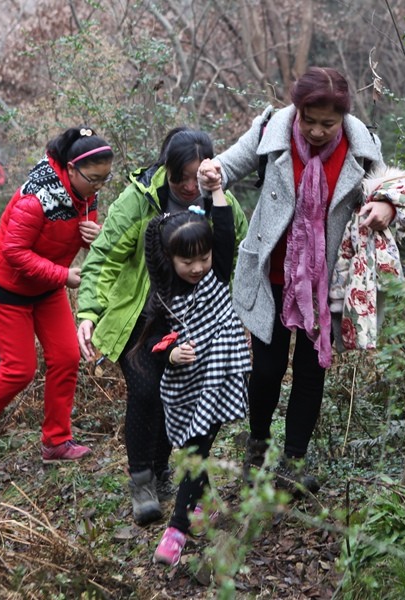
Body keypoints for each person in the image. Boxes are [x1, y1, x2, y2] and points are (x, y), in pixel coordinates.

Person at [198, 67, 392, 493]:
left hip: (325, 282)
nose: (318, 131)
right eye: (310, 120)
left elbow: (391, 189)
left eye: (328, 123)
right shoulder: (272, 129)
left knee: (310, 371)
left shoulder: (362, 147)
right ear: (297, 108)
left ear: (343, 118)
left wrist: (387, 207)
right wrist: (211, 174)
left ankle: (293, 463)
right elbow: (227, 166)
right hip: (273, 272)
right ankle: (257, 448)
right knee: (266, 370)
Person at [76, 129, 249, 525]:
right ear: (165, 168)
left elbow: (238, 248)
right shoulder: (140, 199)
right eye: (179, 178)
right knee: (145, 391)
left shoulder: (219, 197)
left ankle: (161, 469)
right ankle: (142, 481)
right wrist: (88, 312)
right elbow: (104, 257)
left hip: (194, 321)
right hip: (141, 318)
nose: (188, 187)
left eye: (195, 177)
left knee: (178, 395)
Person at [0, 126, 112, 469]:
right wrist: (64, 275)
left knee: (66, 357)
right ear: (72, 169)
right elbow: (14, 251)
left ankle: (56, 442)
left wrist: (96, 236)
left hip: (46, 287)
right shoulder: (36, 199)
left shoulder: (86, 194)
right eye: (93, 179)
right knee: (19, 369)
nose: (98, 187)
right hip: (8, 289)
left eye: (104, 179)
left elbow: (79, 236)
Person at [139, 178, 251, 567]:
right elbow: (154, 343)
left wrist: (217, 191)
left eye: (203, 258)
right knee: (190, 447)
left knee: (198, 449)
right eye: (188, 262)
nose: (198, 267)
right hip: (185, 385)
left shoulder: (215, 275)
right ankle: (204, 505)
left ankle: (177, 529)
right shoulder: (165, 296)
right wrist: (171, 354)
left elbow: (226, 235)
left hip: (219, 378)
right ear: (169, 259)